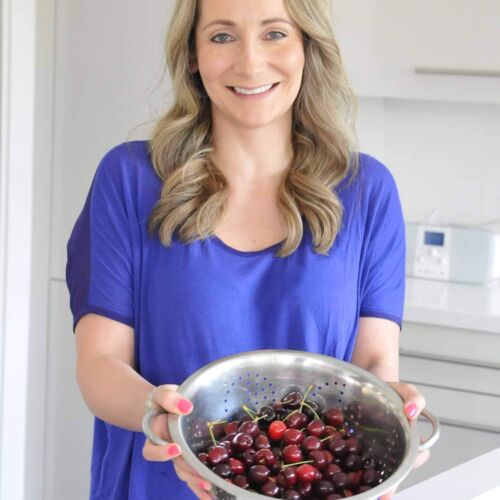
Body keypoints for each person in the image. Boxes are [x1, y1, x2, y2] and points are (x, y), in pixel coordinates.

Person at [66, 0, 430, 499]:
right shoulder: (130, 179)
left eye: (275, 34)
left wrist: (392, 416)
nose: (251, 63)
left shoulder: (367, 190)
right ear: (193, 55)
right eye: (221, 36)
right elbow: (99, 364)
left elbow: (371, 365)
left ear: (307, 45)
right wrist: (165, 419)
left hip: (312, 487)